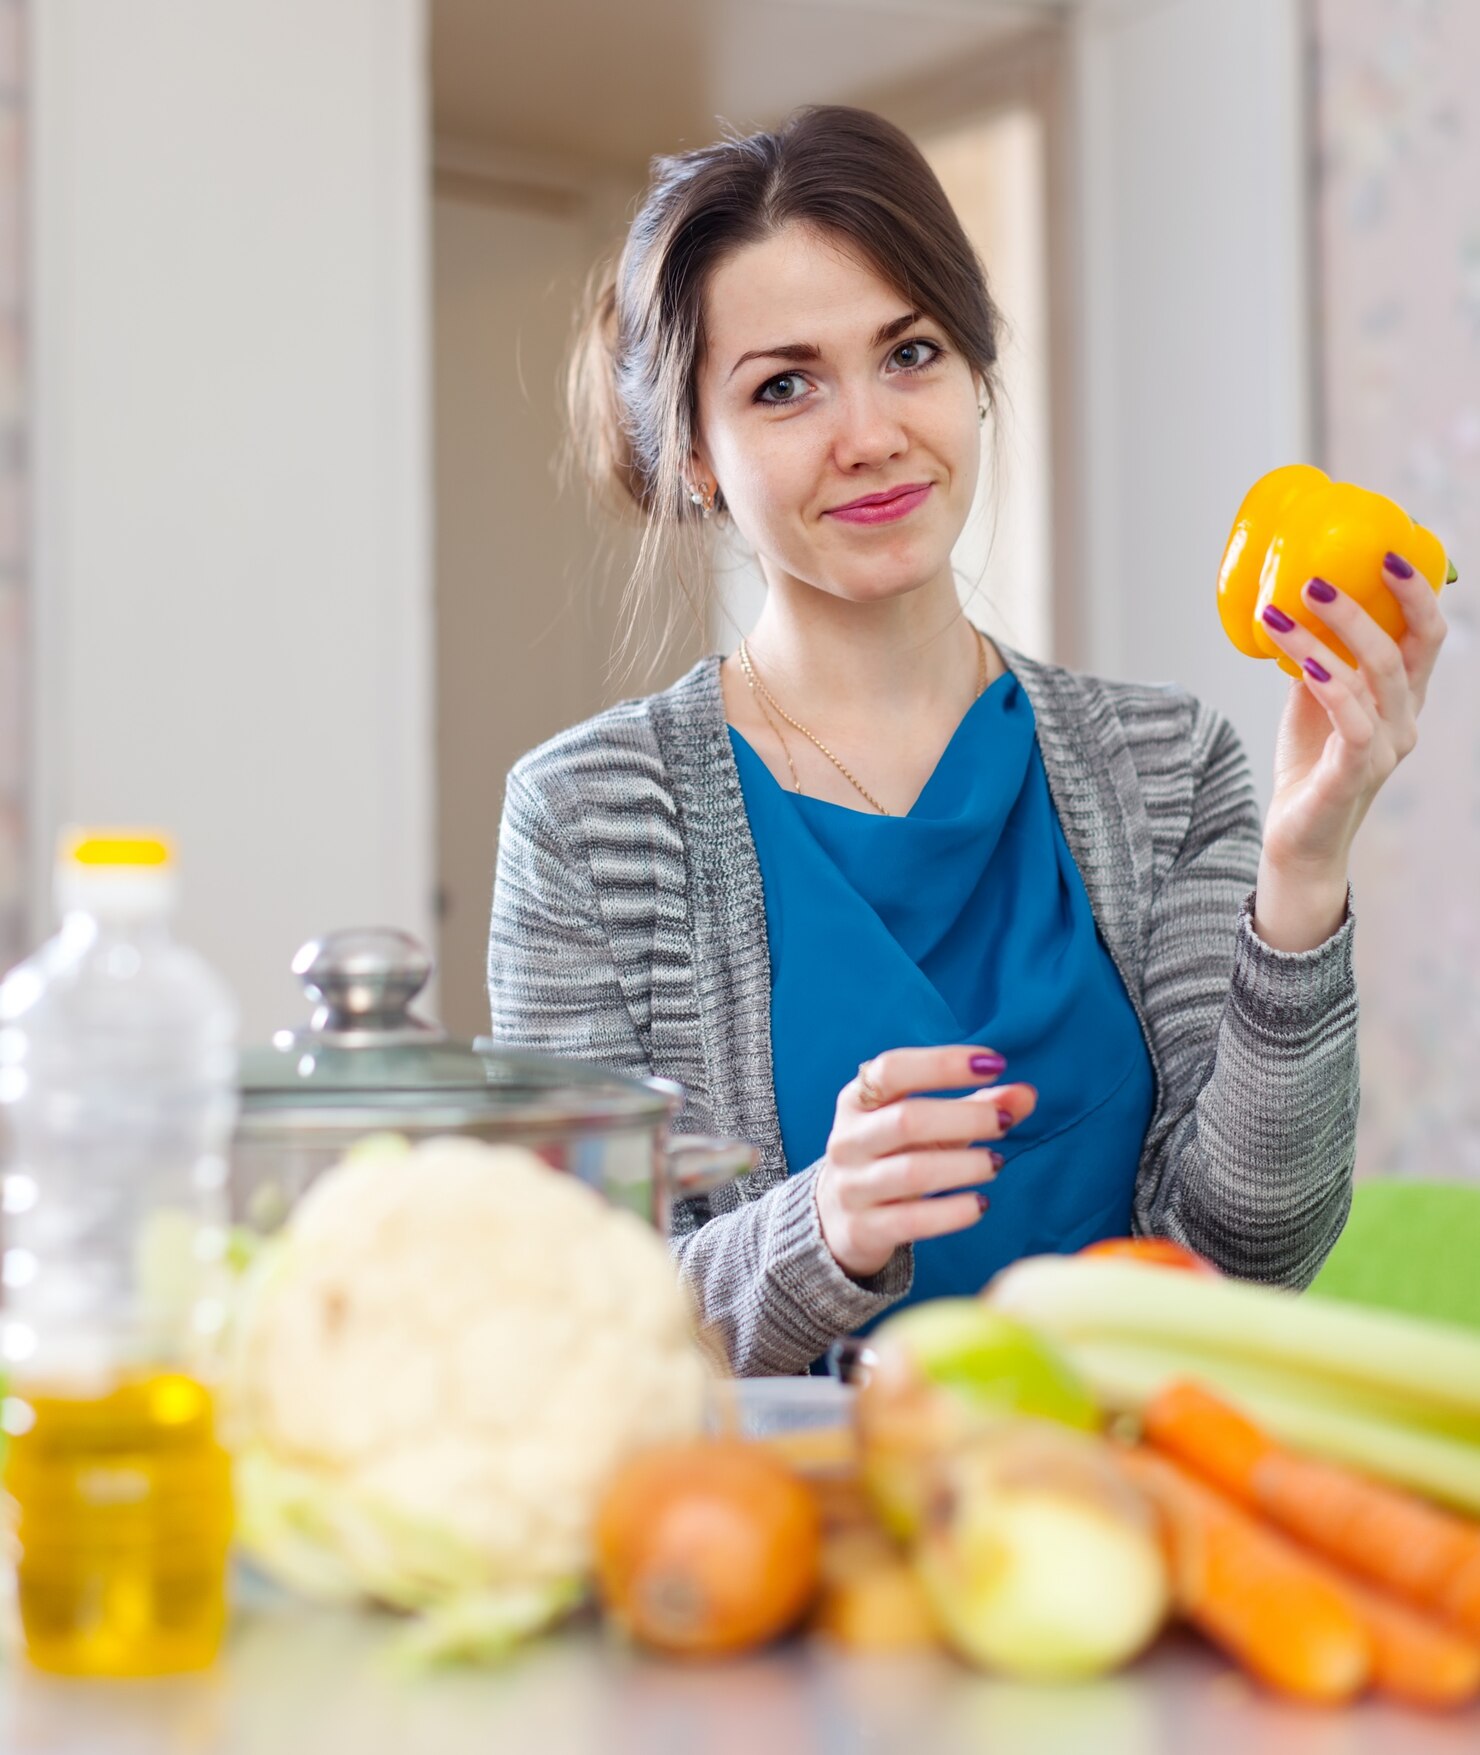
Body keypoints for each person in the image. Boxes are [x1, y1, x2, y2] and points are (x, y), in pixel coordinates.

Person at [486, 105, 1447, 1377]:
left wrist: (1303, 878)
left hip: (1119, 1519)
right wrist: (817, 1226)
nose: (872, 433)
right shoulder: (586, 818)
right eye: (784, 385)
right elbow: (573, 1321)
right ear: (698, 458)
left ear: (977, 371)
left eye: (911, 352)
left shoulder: (1171, 767)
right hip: (784, 1540)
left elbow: (1247, 1258)